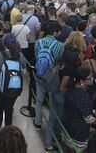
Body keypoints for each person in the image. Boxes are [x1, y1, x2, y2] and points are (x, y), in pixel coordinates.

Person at [34, 22, 64, 151]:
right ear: (56, 32)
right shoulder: (59, 45)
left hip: (39, 75)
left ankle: (38, 121)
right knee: (53, 104)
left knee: (39, 99)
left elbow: (37, 57)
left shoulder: (38, 42)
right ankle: (50, 132)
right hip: (52, 77)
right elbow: (59, 61)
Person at [61, 67, 96, 152]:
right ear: (82, 81)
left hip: (67, 123)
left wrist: (95, 113)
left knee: (67, 148)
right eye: (89, 79)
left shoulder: (70, 87)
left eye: (92, 76)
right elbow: (88, 119)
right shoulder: (82, 95)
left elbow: (81, 107)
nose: (92, 79)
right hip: (78, 129)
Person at [0, 34, 27, 136]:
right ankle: (7, 131)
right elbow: (24, 71)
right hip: (13, 88)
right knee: (9, 109)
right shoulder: (19, 55)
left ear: (4, 44)